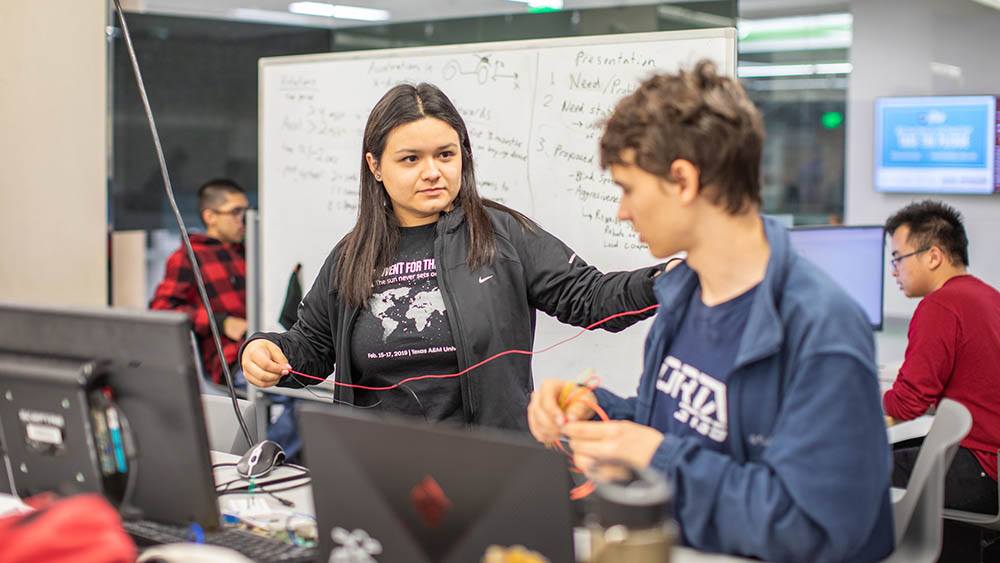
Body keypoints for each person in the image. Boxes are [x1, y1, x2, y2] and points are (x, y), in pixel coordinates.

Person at [527, 61, 894, 563]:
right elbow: (677, 429)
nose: (622, 211)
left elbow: (812, 530)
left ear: (682, 180)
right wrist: (598, 409)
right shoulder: (681, 295)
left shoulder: (821, 329)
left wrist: (650, 455)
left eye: (628, 188)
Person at [239, 83, 660, 430]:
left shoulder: (502, 235)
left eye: (445, 154)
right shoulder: (352, 254)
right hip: (376, 466)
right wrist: (267, 351)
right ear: (375, 165)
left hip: (489, 466)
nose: (433, 172)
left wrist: (667, 279)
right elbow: (310, 348)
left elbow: (590, 297)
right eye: (410, 159)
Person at [883, 200, 1000, 562]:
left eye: (898, 258)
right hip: (992, 462)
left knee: (854, 464)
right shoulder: (986, 296)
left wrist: (854, 402)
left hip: (980, 468)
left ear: (933, 256)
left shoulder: (940, 306)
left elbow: (908, 403)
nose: (894, 272)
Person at [151, 178, 249, 385]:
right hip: (231, 359)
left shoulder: (249, 252)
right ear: (210, 216)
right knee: (294, 397)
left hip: (267, 348)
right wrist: (221, 322)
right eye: (235, 212)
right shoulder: (189, 256)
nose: (243, 220)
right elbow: (162, 309)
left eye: (246, 212)